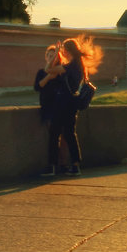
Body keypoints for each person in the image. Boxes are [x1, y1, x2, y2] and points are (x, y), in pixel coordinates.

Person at [42, 36, 103, 178]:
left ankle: (51, 166)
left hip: (62, 103)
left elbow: (47, 69)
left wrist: (56, 53)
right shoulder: (80, 66)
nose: (62, 51)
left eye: (63, 49)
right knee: (70, 134)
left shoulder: (68, 67)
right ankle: (75, 165)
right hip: (72, 104)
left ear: (67, 51)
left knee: (54, 134)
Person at [34, 45, 65, 176]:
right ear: (46, 57)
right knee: (53, 137)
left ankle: (56, 166)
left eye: (54, 56)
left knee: (56, 137)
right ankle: (55, 166)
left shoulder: (60, 71)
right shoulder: (41, 72)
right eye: (49, 56)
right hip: (46, 108)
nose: (51, 58)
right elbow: (37, 87)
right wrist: (48, 78)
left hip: (59, 108)